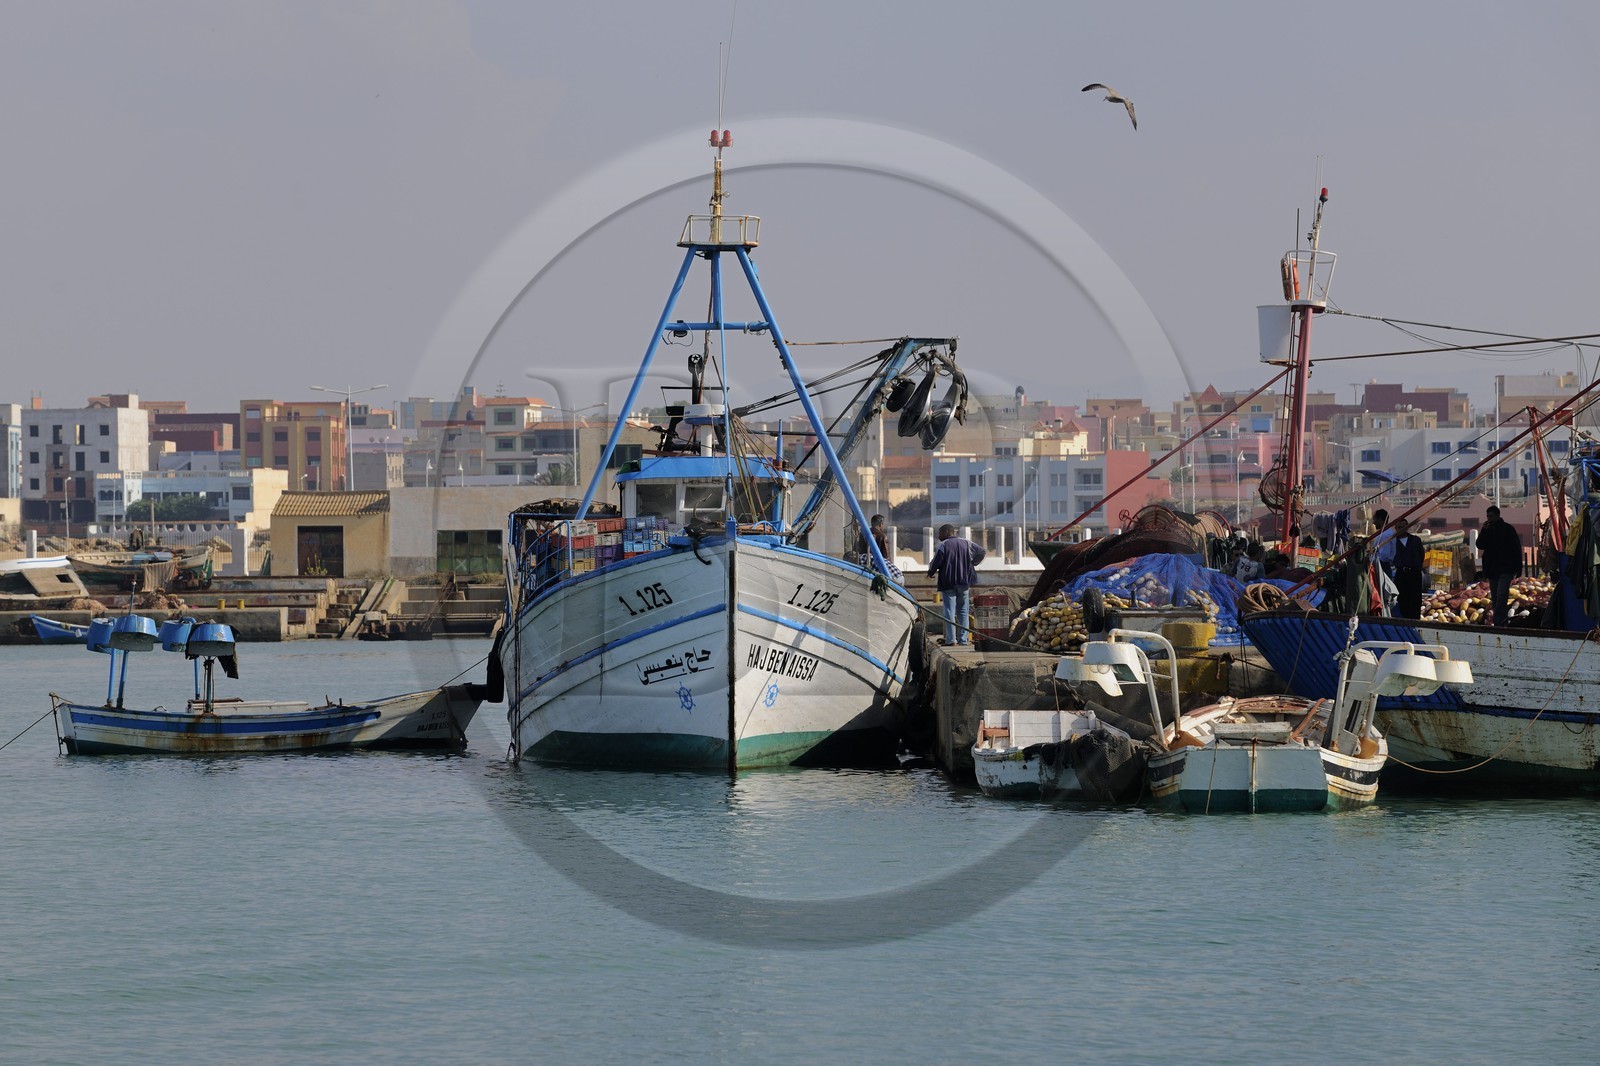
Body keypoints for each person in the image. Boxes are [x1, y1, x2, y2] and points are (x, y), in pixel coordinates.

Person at [927, 523, 986, 645]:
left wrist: (930, 572)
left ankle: (951, 640)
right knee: (963, 611)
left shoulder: (943, 545)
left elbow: (936, 562)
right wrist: (973, 563)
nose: (939, 536)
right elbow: (982, 552)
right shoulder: (967, 543)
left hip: (948, 583)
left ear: (947, 532)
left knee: (949, 611)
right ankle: (963, 640)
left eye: (940, 533)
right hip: (964, 583)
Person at [1477, 505, 1523, 627]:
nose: (1489, 519)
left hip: (1506, 569)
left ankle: (1499, 621)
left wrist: (1518, 568)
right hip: (1493, 570)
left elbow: (1516, 549)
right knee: (1496, 597)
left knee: (1502, 595)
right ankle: (1499, 619)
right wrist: (1484, 530)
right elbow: (1480, 545)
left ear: (1497, 515)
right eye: (1487, 516)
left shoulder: (1507, 529)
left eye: (1491, 516)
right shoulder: (1488, 530)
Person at [1389, 517, 1426, 619]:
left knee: (1415, 599)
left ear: (1407, 527)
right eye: (1399, 527)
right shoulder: (1393, 541)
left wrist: (1417, 567)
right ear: (1395, 528)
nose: (1401, 529)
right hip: (1401, 573)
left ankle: (1415, 620)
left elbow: (1421, 555)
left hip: (1414, 573)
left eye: (1403, 527)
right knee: (1401, 599)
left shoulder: (1415, 540)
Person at [1369, 508, 1398, 615]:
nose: (1373, 522)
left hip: (1382, 567)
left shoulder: (1385, 534)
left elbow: (1384, 556)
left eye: (1375, 519)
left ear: (1381, 520)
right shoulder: (1385, 533)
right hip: (1383, 566)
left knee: (1382, 594)